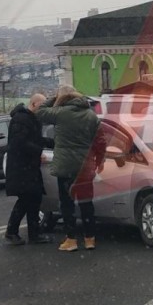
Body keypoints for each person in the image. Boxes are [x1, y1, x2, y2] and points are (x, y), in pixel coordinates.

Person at [36, 85, 100, 252]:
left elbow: (40, 111)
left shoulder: (61, 113)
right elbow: (100, 140)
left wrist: (54, 97)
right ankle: (89, 239)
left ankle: (71, 240)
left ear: (63, 99)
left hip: (66, 167)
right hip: (85, 167)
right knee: (86, 202)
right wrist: (98, 160)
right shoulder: (91, 115)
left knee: (67, 203)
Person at [4, 93, 52, 246]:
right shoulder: (21, 119)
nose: (43, 109)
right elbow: (19, 143)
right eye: (41, 105)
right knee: (26, 200)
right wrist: (38, 151)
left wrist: (54, 143)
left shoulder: (30, 119)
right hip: (22, 167)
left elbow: (34, 139)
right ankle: (12, 232)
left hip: (27, 167)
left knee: (34, 199)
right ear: (34, 104)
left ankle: (34, 233)